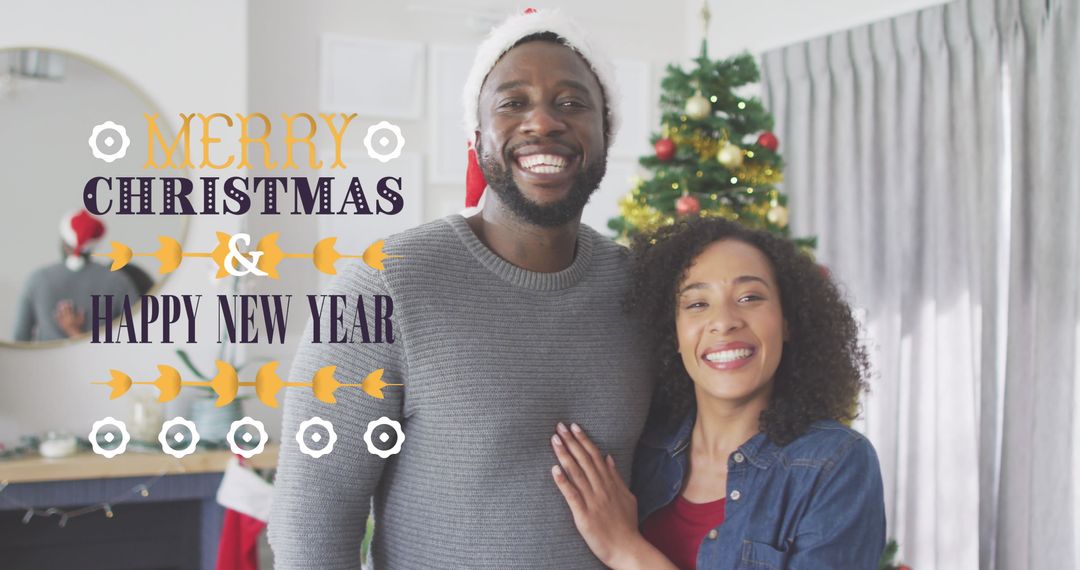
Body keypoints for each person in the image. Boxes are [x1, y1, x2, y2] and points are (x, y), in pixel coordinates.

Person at [268, 9, 653, 569]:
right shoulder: (381, 285)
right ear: (477, 136)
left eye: (572, 103)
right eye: (512, 102)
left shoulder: (638, 289)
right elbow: (311, 530)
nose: (543, 123)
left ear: (605, 132)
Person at [549, 217, 886, 569]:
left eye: (749, 297)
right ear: (674, 334)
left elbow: (624, 551)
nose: (724, 321)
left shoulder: (835, 464)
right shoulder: (643, 447)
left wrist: (627, 551)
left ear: (787, 321)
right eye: (697, 304)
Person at [13, 209, 137, 341]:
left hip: (46, 362)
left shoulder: (37, 280)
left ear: (64, 244)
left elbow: (20, 338)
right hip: (99, 360)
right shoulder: (117, 282)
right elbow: (137, 334)